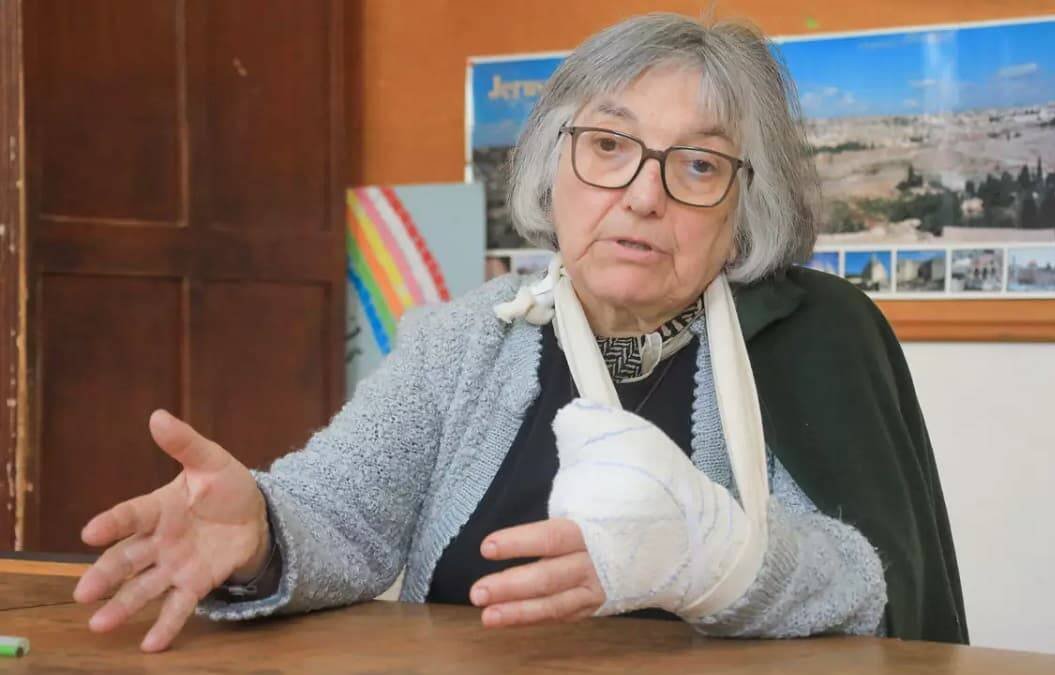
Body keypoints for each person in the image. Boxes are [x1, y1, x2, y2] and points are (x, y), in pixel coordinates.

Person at [72, 13, 967, 652]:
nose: (644, 194)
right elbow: (342, 510)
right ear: (553, 167)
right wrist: (261, 530)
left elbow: (868, 582)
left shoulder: (815, 334)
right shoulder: (464, 339)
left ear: (744, 210)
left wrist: (706, 557)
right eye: (609, 146)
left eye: (698, 164)